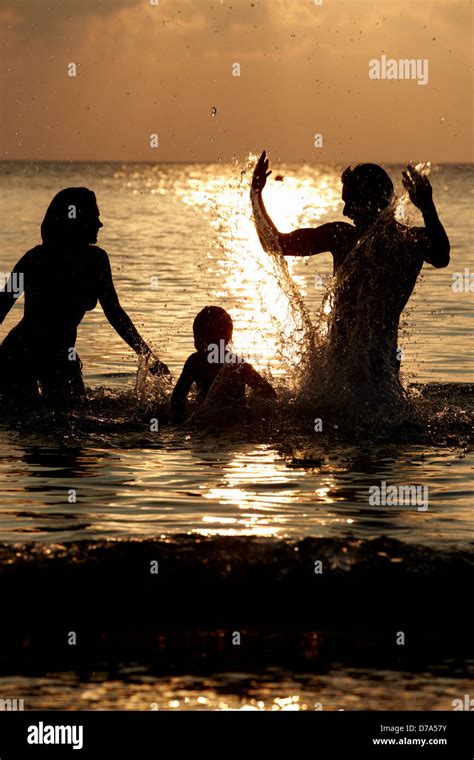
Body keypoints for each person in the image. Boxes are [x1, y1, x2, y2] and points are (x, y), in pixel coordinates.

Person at [251, 152, 450, 385]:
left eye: (350, 202)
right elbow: (275, 245)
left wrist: (427, 207)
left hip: (365, 371)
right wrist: (256, 195)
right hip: (365, 373)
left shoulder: (398, 240)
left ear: (370, 201)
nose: (345, 212)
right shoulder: (350, 237)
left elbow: (440, 256)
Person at [0, 187, 169, 403]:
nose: (100, 224)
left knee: (67, 421)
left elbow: (115, 313)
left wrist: (148, 357)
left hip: (62, 356)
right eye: (94, 217)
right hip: (20, 355)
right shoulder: (35, 259)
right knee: (32, 423)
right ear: (76, 221)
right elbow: (2, 305)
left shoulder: (96, 261)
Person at [171, 306, 276, 423]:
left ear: (200, 337)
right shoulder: (238, 364)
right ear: (229, 337)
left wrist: (177, 424)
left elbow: (177, 398)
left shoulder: (195, 362)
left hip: (204, 423)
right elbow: (270, 394)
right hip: (236, 425)